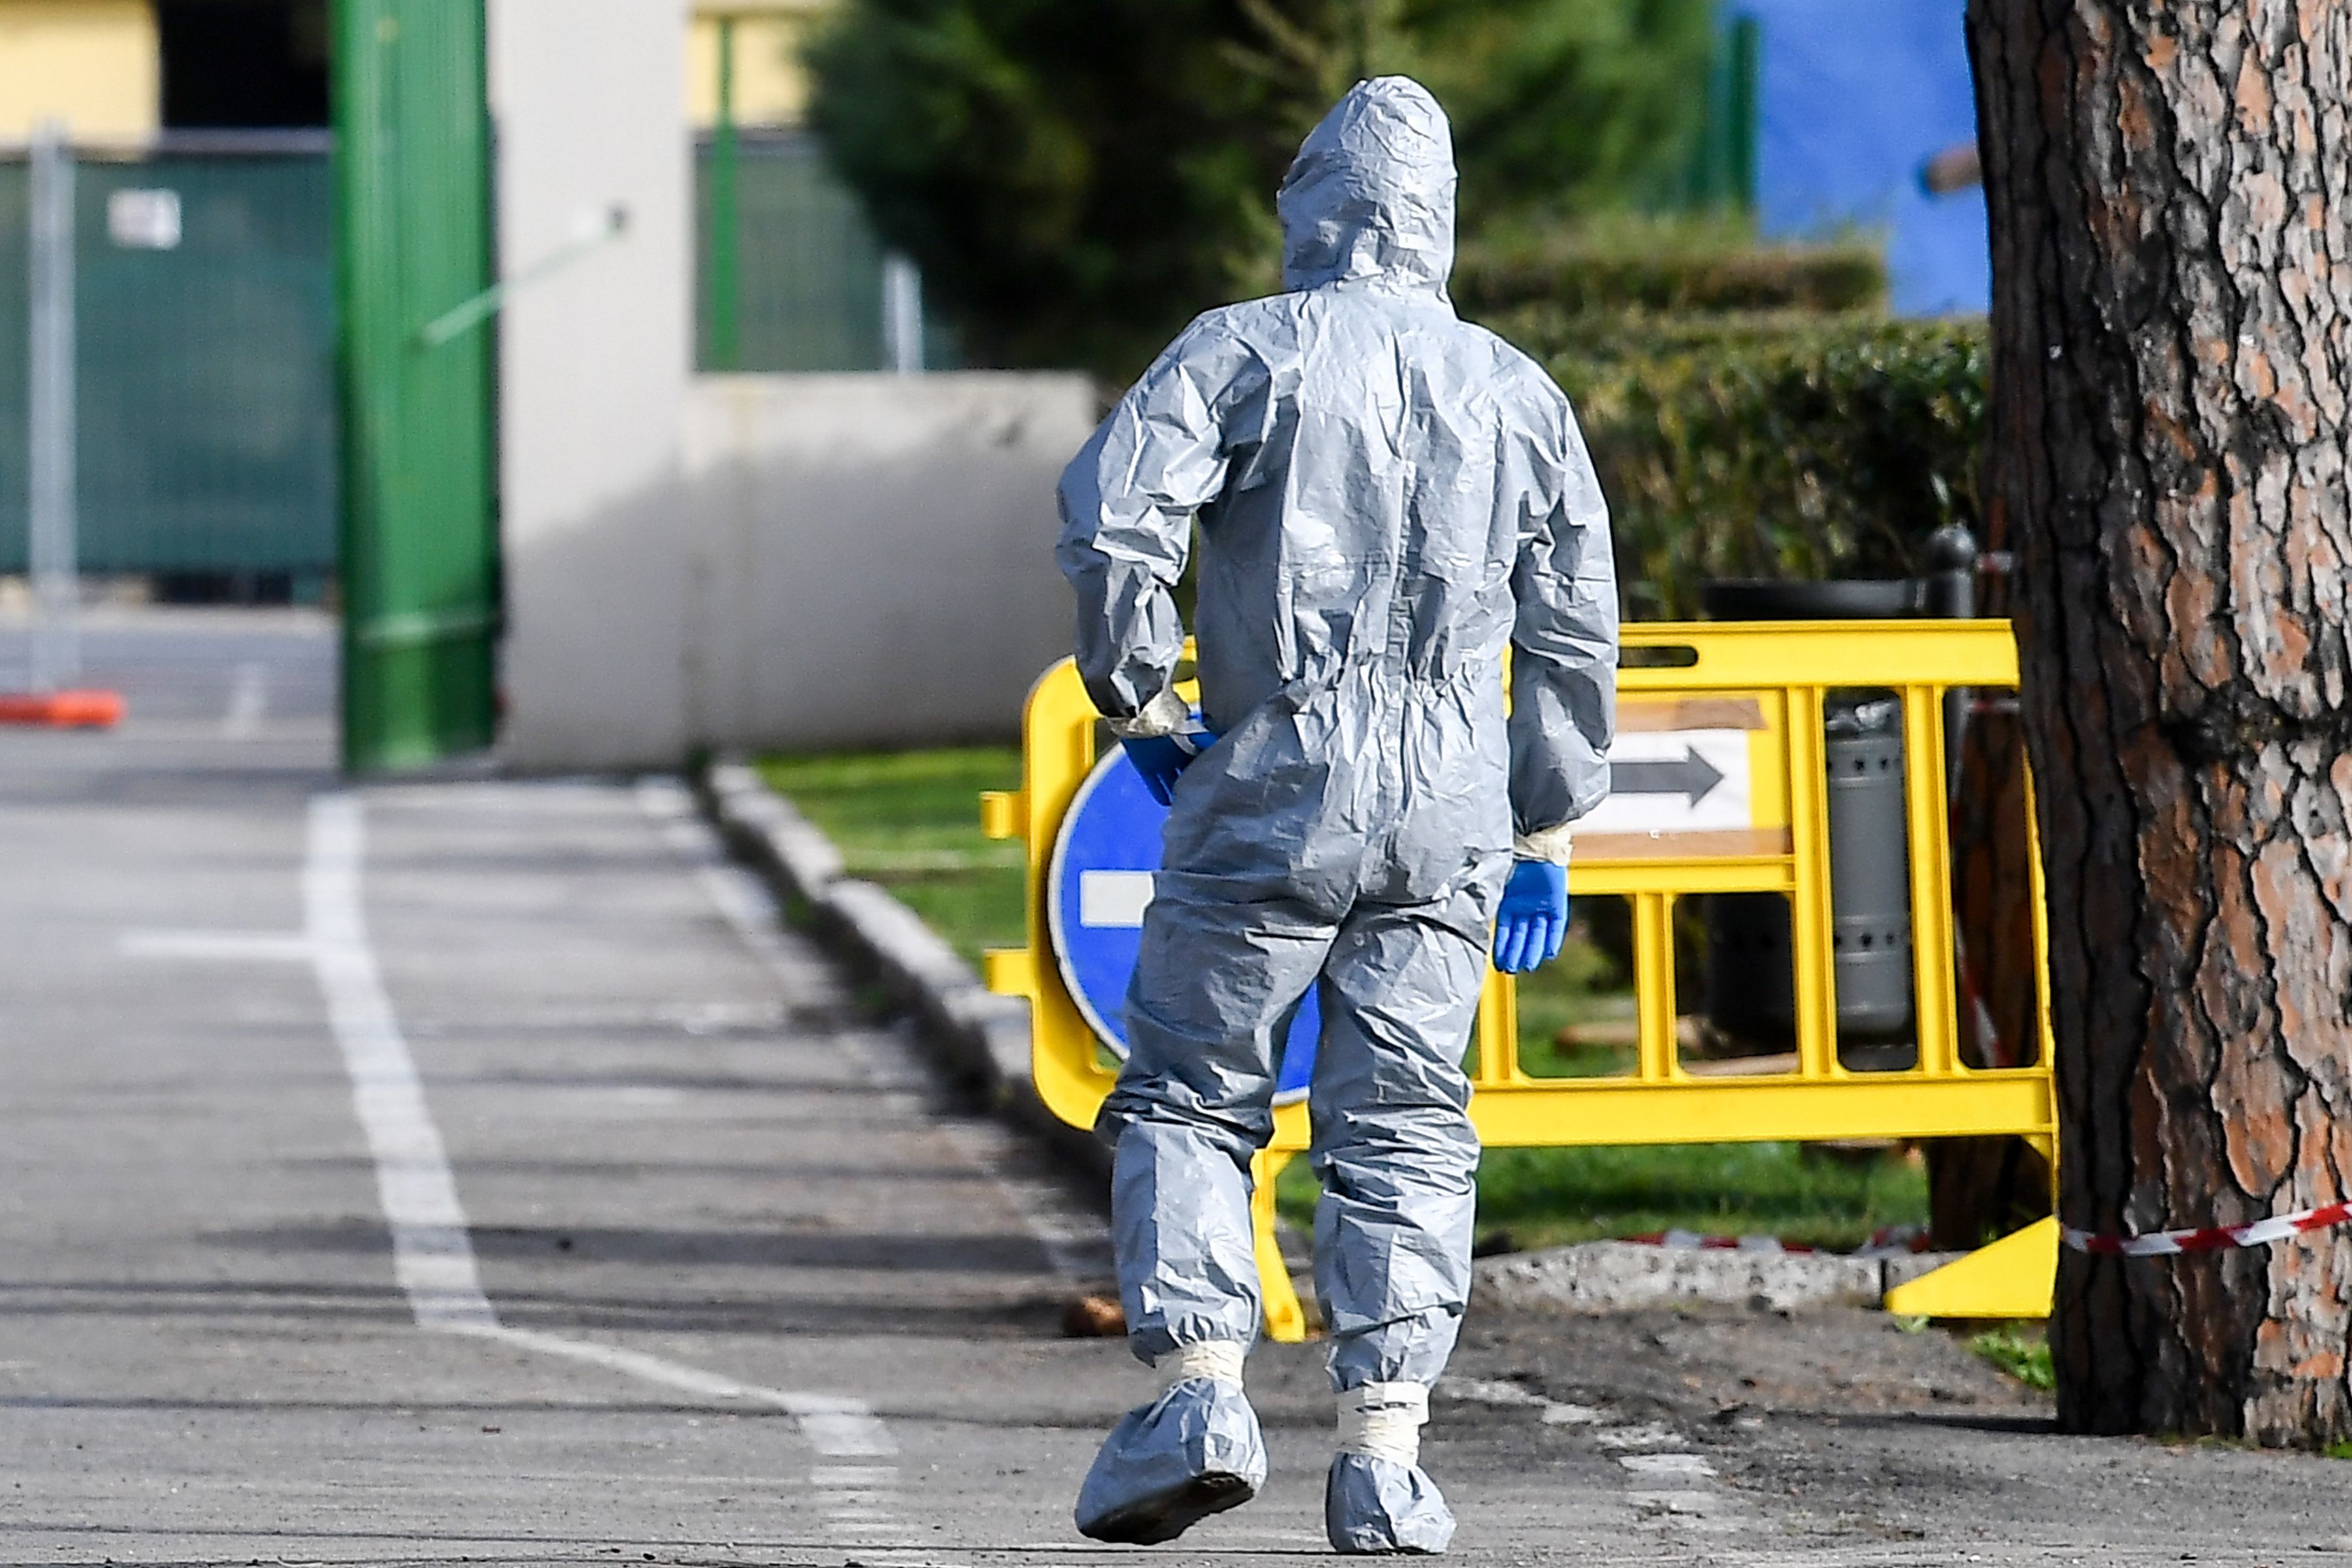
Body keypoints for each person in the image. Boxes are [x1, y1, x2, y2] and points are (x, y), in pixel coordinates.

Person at [1054, 74, 1618, 1555]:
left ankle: (1199, 1389)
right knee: (1410, 1124)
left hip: (1272, 783)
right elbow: (1574, 629)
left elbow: (1116, 521)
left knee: (1193, 1093)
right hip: (1450, 805)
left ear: (1309, 204)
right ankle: (1385, 1455)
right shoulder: (1518, 390)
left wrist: (1142, 704)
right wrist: (1547, 827)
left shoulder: (1242, 352)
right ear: (1440, 222)